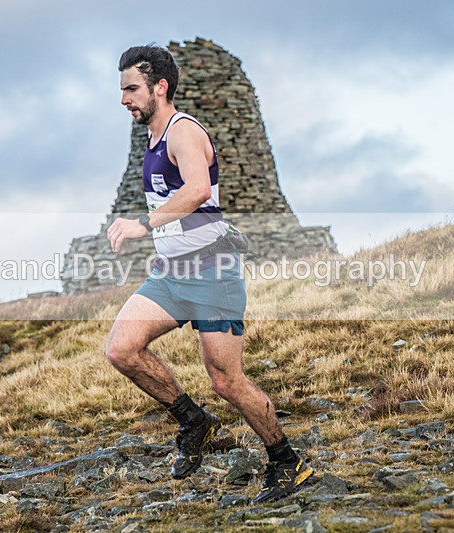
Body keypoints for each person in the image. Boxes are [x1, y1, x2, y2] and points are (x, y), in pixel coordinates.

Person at [105, 44, 313, 504]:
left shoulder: (184, 133)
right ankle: (192, 419)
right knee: (122, 350)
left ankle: (286, 460)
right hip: (171, 275)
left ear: (160, 87)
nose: (124, 99)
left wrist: (144, 223)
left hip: (213, 272)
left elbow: (199, 189)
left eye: (131, 89)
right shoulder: (152, 136)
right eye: (122, 90)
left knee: (227, 381)